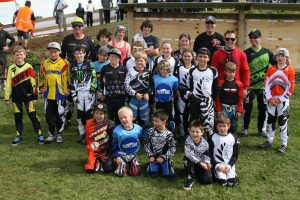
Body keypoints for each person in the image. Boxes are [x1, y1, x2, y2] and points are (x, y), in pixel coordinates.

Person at [4, 46, 43, 145]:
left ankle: (39, 134)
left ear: (25, 55)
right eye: (17, 55)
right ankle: (18, 135)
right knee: (18, 116)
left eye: (21, 54)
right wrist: (6, 97)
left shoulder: (29, 67)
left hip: (28, 97)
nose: (19, 56)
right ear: (14, 56)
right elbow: (8, 83)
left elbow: (33, 83)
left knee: (32, 115)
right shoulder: (11, 68)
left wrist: (35, 97)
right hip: (16, 98)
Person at [61, 17, 94, 128]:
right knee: (70, 97)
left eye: (79, 25)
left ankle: (87, 121)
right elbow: (62, 56)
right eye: (75, 25)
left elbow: (91, 56)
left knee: (85, 100)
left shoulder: (88, 40)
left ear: (83, 26)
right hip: (71, 72)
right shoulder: (67, 39)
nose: (77, 28)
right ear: (72, 27)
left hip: (84, 72)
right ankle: (66, 119)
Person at [260, 48, 295, 153]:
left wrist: (281, 99)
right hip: (271, 100)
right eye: (278, 55)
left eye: (282, 56)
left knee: (282, 121)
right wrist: (270, 98)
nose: (280, 57)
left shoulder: (290, 70)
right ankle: (269, 140)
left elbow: (291, 87)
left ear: (286, 58)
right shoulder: (271, 69)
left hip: (282, 101)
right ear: (275, 57)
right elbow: (266, 85)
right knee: (270, 120)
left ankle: (284, 143)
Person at [242, 29, 276, 137]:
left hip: (263, 87)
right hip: (249, 86)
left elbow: (276, 65)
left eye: (255, 37)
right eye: (251, 37)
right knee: (247, 108)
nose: (253, 39)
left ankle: (261, 129)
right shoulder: (245, 53)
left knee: (263, 108)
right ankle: (245, 129)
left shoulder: (267, 52)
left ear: (260, 38)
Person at [38, 42, 70, 144]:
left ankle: (59, 134)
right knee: (48, 115)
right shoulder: (44, 63)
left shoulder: (65, 63)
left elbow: (69, 78)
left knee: (60, 115)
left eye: (55, 52)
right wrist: (41, 87)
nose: (53, 54)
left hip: (60, 94)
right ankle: (51, 134)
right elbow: (40, 77)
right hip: (48, 94)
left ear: (59, 52)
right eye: (51, 52)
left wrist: (69, 89)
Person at [187, 48, 219, 136]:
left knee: (208, 121)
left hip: (207, 100)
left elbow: (216, 86)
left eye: (205, 57)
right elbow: (191, 85)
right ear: (196, 58)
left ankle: (209, 139)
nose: (202, 59)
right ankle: (195, 138)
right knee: (194, 120)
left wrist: (214, 99)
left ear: (209, 58)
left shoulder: (213, 70)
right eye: (200, 56)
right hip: (195, 99)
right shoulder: (192, 70)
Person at [68, 45, 97, 144]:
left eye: (81, 53)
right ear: (74, 54)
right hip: (79, 93)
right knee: (80, 114)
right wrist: (74, 95)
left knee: (89, 114)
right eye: (76, 53)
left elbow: (94, 77)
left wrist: (92, 91)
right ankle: (82, 133)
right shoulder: (72, 65)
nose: (79, 55)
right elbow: (71, 81)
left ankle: (90, 134)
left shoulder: (89, 63)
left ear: (84, 53)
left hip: (88, 92)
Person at [211, 30, 250, 97]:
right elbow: (213, 72)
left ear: (236, 40)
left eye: (232, 39)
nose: (230, 41)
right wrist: (213, 87)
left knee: (237, 107)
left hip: (236, 86)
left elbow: (245, 71)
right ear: (224, 40)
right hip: (221, 87)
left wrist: (245, 87)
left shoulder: (241, 54)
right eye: (227, 39)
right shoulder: (217, 54)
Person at [144, 109, 176, 178]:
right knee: (151, 174)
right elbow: (146, 144)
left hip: (164, 157)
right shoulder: (150, 131)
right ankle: (153, 166)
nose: (154, 123)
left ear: (164, 121)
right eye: (153, 121)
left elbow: (173, 148)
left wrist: (164, 157)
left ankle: (168, 163)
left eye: (157, 121)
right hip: (154, 157)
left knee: (168, 175)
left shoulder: (169, 134)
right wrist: (150, 155)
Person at [209, 114, 239, 187]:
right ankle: (215, 172)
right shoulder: (212, 137)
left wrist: (229, 166)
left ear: (229, 126)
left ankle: (232, 173)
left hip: (229, 164)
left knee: (231, 183)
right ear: (216, 127)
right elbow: (209, 153)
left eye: (224, 126)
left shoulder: (233, 137)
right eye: (219, 126)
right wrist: (216, 165)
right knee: (223, 183)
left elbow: (235, 155)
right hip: (218, 164)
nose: (222, 128)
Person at [84, 103, 116, 173]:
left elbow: (113, 141)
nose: (98, 116)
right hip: (93, 150)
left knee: (109, 169)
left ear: (105, 114)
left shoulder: (110, 123)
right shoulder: (89, 123)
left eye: (101, 114)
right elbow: (87, 139)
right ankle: (96, 160)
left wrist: (111, 153)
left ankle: (103, 161)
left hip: (106, 151)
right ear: (93, 113)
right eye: (96, 113)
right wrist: (90, 152)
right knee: (89, 170)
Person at [99, 48, 127, 123]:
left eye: (116, 57)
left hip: (120, 97)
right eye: (112, 56)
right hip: (108, 97)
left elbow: (126, 83)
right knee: (109, 116)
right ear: (109, 57)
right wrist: (101, 92)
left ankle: (119, 132)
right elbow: (101, 81)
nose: (114, 58)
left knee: (120, 115)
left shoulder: (124, 69)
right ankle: (110, 132)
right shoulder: (105, 68)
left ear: (119, 58)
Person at [112, 107, 143, 177]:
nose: (123, 119)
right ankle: (119, 163)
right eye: (121, 118)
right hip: (122, 153)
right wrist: (117, 156)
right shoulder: (117, 131)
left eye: (125, 117)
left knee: (135, 172)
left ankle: (132, 164)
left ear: (132, 117)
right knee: (121, 173)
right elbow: (114, 144)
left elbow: (140, 139)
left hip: (133, 154)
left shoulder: (139, 129)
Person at [215, 62, 244, 137]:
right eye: (229, 72)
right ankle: (220, 138)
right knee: (222, 124)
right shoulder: (220, 83)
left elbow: (240, 98)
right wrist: (218, 110)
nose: (231, 74)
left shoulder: (239, 84)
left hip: (234, 108)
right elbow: (217, 97)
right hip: (223, 108)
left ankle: (234, 139)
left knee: (233, 125)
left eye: (233, 72)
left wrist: (239, 110)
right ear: (225, 72)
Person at [183, 120, 212, 191]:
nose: (194, 134)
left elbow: (206, 154)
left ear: (202, 132)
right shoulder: (187, 141)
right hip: (192, 162)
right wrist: (201, 163)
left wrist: (207, 163)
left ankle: (197, 173)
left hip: (201, 163)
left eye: (197, 132)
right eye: (192, 131)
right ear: (189, 131)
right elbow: (189, 154)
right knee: (187, 159)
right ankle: (190, 178)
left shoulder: (205, 143)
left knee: (207, 180)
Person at [124, 51, 151, 125]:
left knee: (145, 117)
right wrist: (135, 94)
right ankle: (133, 133)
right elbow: (126, 85)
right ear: (134, 61)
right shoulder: (130, 71)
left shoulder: (148, 72)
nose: (139, 62)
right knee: (132, 117)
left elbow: (151, 86)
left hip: (144, 99)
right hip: (133, 98)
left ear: (145, 61)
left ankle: (145, 134)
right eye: (137, 60)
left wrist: (147, 93)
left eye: (141, 60)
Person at [173, 49, 195, 140]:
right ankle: (183, 134)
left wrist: (192, 92)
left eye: (189, 56)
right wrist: (184, 91)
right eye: (185, 56)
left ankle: (192, 134)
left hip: (193, 94)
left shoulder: (195, 69)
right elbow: (176, 81)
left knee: (192, 114)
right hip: (181, 94)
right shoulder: (179, 68)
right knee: (182, 114)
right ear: (182, 57)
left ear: (192, 57)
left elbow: (197, 82)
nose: (187, 58)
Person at [153, 60, 178, 132]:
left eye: (166, 69)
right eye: (161, 69)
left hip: (169, 102)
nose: (164, 71)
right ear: (159, 69)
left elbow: (175, 89)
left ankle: (171, 133)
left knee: (169, 117)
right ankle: (158, 132)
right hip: (158, 102)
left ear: (169, 69)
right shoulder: (154, 78)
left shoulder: (174, 79)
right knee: (158, 117)